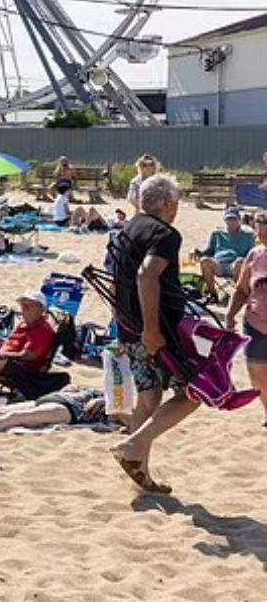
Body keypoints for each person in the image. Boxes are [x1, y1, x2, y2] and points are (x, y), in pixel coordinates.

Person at [108, 174, 195, 494]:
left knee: (148, 397)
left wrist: (128, 326)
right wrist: (152, 330)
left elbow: (117, 280)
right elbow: (147, 276)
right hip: (155, 331)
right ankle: (134, 445)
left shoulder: (125, 231)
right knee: (192, 393)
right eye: (177, 202)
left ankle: (140, 474)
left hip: (128, 328)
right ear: (168, 203)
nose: (177, 209)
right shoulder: (165, 233)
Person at [224, 210, 267, 421]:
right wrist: (230, 314)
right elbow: (241, 290)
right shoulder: (255, 255)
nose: (263, 240)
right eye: (260, 236)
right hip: (256, 322)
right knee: (257, 374)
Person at [0, 387, 118, 431]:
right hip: (56, 397)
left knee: (14, 417)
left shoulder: (122, 407)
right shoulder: (112, 388)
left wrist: (104, 402)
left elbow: (127, 420)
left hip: (68, 410)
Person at [196, 207, 254, 302]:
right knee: (204, 261)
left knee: (239, 262)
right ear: (225, 220)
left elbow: (252, 255)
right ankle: (213, 294)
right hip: (218, 264)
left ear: (239, 220)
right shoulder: (217, 234)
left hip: (237, 265)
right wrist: (201, 253)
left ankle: (238, 295)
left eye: (234, 219)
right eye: (228, 219)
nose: (231, 222)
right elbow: (210, 250)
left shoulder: (248, 236)